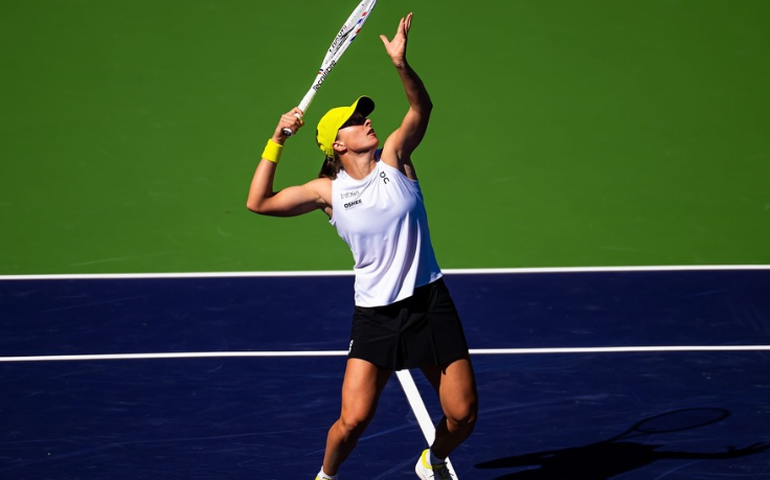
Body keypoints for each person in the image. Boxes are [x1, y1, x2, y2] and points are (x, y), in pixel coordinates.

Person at [246, 13, 477, 480]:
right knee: (351, 423)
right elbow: (259, 203)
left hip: (429, 303)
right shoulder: (326, 193)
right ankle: (325, 476)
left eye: (364, 114)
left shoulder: (395, 158)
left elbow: (421, 109)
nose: (365, 119)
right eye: (354, 120)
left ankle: (432, 459)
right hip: (375, 316)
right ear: (337, 143)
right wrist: (276, 140)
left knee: (463, 415)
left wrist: (401, 65)